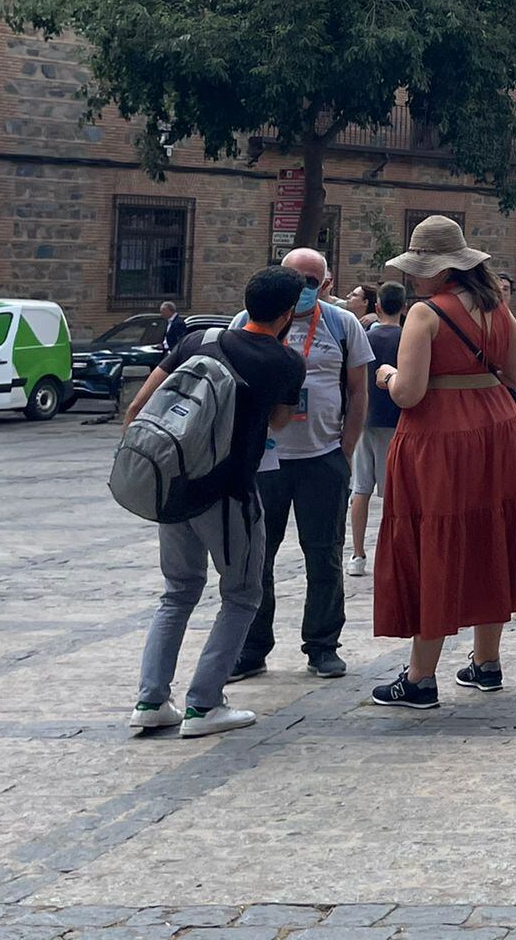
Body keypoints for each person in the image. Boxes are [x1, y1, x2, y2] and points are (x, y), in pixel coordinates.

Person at [370, 217, 516, 707]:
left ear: (438, 269)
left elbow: (410, 394)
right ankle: (486, 662)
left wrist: (388, 375)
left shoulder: (424, 314)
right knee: (489, 537)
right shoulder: (498, 307)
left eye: (419, 268)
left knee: (436, 541)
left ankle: (419, 678)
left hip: (439, 438)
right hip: (499, 432)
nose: (413, 277)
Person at [124, 265, 308, 738]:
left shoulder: (196, 341)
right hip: (229, 495)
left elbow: (138, 408)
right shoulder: (284, 362)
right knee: (243, 594)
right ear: (289, 313)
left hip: (174, 487)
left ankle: (150, 699)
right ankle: (204, 705)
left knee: (178, 591)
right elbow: (281, 422)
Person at [228, 247, 373, 683]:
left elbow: (359, 390)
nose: (302, 289)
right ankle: (252, 648)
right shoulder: (245, 323)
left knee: (324, 553)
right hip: (264, 462)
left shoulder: (342, 324)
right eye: (294, 278)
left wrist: (346, 449)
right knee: (257, 557)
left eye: (311, 281)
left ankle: (323, 646)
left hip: (321, 458)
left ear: (327, 285)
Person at [345, 282, 408, 577]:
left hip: (365, 418)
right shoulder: (408, 339)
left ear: (378, 307)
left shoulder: (364, 338)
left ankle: (357, 555)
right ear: (404, 308)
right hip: (396, 419)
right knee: (393, 492)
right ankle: (391, 552)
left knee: (361, 488)